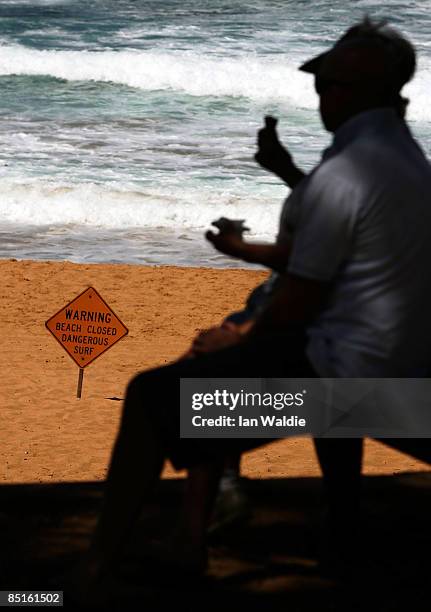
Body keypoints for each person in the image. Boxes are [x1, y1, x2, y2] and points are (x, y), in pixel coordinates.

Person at [79, 17, 431, 597]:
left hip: (349, 390)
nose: (322, 95)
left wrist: (237, 338)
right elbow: (334, 253)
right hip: (395, 368)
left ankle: (95, 570)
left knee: (152, 395)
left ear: (342, 94)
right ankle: (337, 533)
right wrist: (285, 177)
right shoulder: (405, 162)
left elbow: (300, 298)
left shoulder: (343, 175)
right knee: (302, 352)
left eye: (328, 85)